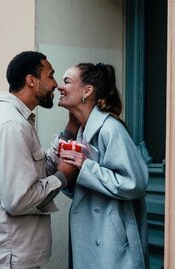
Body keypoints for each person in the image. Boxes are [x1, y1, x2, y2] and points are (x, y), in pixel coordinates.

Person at [0, 51, 78, 269]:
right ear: (31, 80)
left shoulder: (16, 120)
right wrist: (63, 177)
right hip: (8, 259)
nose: (56, 85)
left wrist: (69, 131)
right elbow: (18, 199)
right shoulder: (11, 125)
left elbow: (34, 172)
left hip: (11, 256)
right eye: (50, 76)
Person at [57, 63, 150, 269]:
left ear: (87, 91)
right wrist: (68, 175)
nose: (59, 87)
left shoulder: (111, 129)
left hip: (112, 244)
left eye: (67, 81)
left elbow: (135, 183)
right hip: (93, 237)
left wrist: (85, 166)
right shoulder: (80, 132)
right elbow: (83, 193)